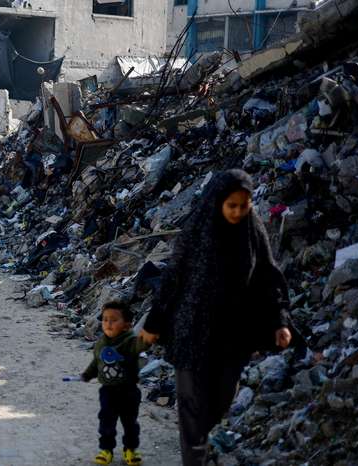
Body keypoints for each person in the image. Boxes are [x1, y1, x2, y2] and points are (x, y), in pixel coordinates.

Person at [139, 169, 292, 466]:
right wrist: (154, 323)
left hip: (232, 334)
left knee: (221, 401)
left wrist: (280, 321)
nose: (237, 212)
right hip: (190, 329)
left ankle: (200, 444)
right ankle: (195, 458)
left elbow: (268, 274)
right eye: (231, 205)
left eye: (243, 205)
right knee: (191, 405)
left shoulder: (251, 229)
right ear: (218, 201)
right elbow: (172, 278)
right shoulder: (198, 228)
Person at [81, 301, 150, 466]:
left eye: (113, 320)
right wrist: (87, 374)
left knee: (130, 423)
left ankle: (130, 449)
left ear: (127, 325)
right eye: (105, 320)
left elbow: (141, 344)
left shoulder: (130, 341)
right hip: (108, 391)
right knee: (106, 422)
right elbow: (96, 363)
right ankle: (106, 450)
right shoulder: (101, 343)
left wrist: (148, 337)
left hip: (129, 391)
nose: (108, 324)